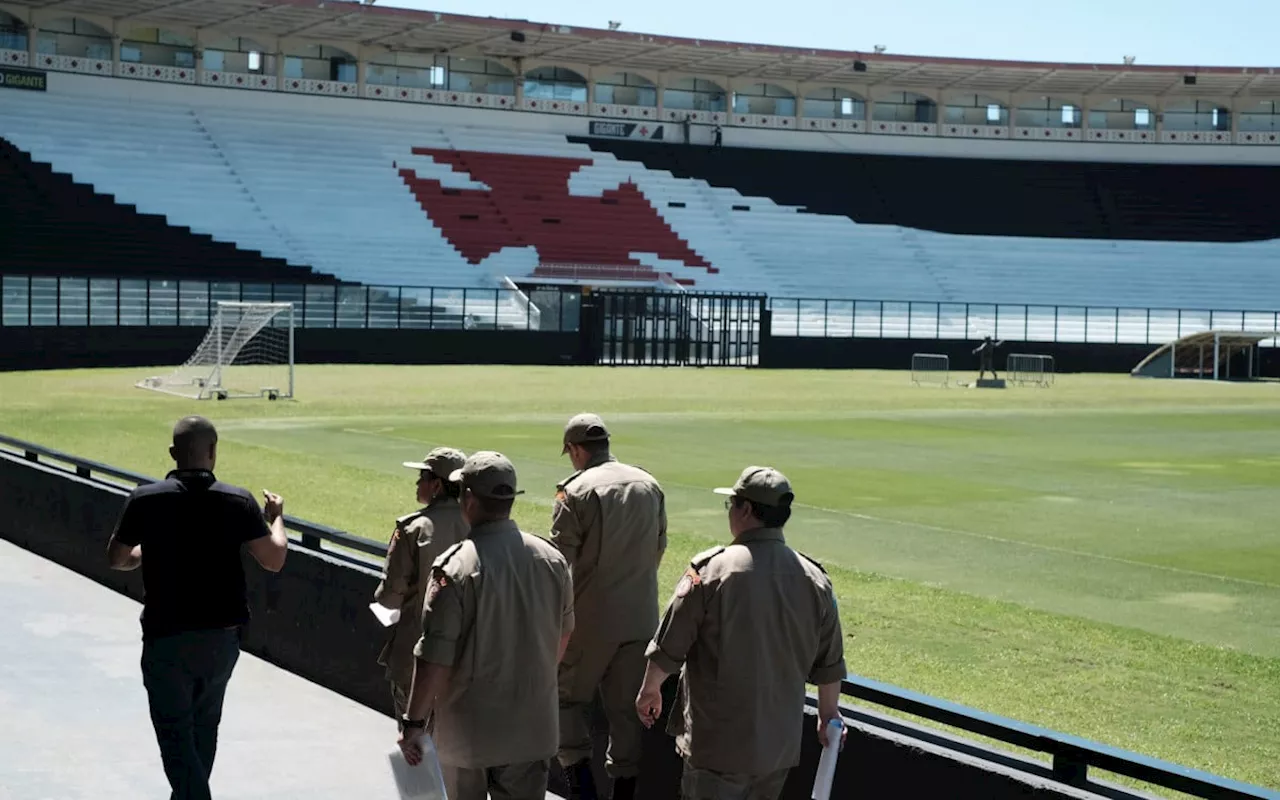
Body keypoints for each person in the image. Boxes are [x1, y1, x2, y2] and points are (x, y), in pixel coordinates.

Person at [636, 466, 847, 800]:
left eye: (732, 504)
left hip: (717, 747)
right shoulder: (815, 579)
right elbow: (830, 662)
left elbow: (670, 646)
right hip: (777, 749)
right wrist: (827, 715)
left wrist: (649, 690)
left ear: (746, 510)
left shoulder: (712, 571)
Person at [106, 415, 289, 800]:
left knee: (174, 735)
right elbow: (274, 558)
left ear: (173, 453)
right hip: (221, 641)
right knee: (204, 728)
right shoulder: (238, 500)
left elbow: (117, 557)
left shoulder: (145, 499)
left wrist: (144, 552)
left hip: (165, 637)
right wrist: (277, 518)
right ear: (213, 453)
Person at [398, 451, 575, 800]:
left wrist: (414, 724)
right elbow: (563, 634)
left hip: (469, 733)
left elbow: (434, 655)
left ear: (467, 498)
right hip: (530, 728)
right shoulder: (552, 559)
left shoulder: (455, 567)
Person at [552, 413, 667, 800]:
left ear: (576, 449)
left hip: (588, 622)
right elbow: (658, 549)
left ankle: (581, 791)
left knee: (563, 700)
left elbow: (559, 566)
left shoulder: (575, 491)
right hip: (640, 619)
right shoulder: (648, 483)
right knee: (627, 713)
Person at [373, 447, 469, 718]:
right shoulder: (477, 525)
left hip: (418, 655)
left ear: (437, 484)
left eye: (422, 477)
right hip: (467, 657)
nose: (418, 483)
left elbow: (390, 597)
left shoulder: (413, 529)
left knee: (414, 743)